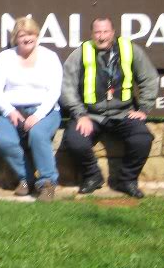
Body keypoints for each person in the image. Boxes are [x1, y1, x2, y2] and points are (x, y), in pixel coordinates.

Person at [60, 17, 158, 198]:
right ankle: (92, 176)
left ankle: (127, 180)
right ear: (92, 34)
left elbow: (149, 78)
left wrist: (144, 108)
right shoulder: (81, 52)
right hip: (90, 114)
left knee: (142, 139)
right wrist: (80, 114)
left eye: (105, 31)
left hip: (124, 113)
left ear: (113, 33)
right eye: (97, 32)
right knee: (74, 141)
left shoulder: (130, 49)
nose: (102, 36)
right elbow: (67, 86)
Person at [0, 17, 63, 202]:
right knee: (4, 140)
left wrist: (38, 115)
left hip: (45, 111)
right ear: (16, 38)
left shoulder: (49, 57)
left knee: (38, 134)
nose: (27, 38)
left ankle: (47, 183)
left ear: (37, 35)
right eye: (22, 35)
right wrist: (9, 111)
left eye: (30, 34)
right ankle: (26, 178)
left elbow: (55, 90)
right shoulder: (5, 57)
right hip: (12, 111)